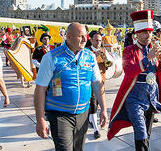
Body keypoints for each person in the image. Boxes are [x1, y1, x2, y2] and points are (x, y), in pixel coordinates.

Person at [34, 22, 107, 151]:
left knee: (78, 148)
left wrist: (104, 110)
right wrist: (40, 119)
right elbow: (40, 89)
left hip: (83, 113)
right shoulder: (51, 58)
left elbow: (97, 83)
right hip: (59, 115)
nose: (85, 39)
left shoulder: (89, 56)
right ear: (68, 37)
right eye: (80, 36)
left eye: (85, 35)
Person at [107, 10, 161, 151]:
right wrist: (147, 58)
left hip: (152, 98)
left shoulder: (155, 50)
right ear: (137, 34)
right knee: (141, 132)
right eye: (144, 32)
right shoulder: (129, 50)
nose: (148, 35)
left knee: (147, 133)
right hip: (135, 99)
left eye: (150, 32)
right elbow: (129, 71)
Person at [86, 31, 108, 139]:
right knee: (93, 104)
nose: (98, 42)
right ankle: (95, 129)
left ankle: (91, 119)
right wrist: (95, 55)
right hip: (91, 82)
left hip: (101, 80)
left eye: (100, 40)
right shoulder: (87, 51)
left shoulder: (103, 50)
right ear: (91, 40)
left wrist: (106, 60)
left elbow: (107, 66)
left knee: (99, 102)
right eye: (96, 40)